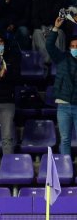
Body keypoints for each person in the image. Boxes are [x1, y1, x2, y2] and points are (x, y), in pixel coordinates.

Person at [46, 17, 77, 155]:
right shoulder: (62, 58)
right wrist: (55, 29)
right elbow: (49, 46)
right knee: (64, 139)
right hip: (63, 106)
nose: (74, 49)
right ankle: (66, 169)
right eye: (73, 46)